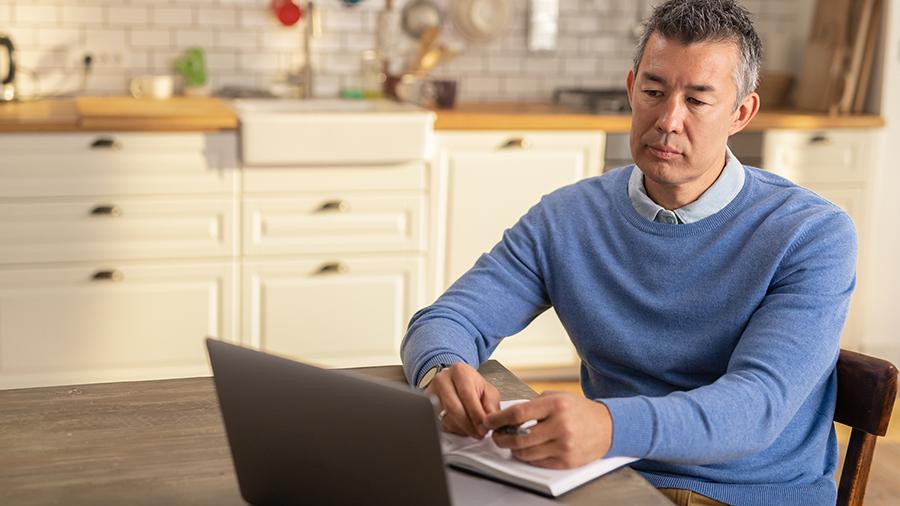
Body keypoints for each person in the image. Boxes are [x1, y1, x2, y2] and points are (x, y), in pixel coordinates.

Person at [401, 0, 857, 504]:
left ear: (740, 113)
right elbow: (446, 319)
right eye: (654, 92)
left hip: (749, 494)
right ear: (631, 88)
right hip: (610, 484)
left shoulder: (812, 234)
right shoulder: (567, 218)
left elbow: (757, 408)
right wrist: (443, 370)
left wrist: (608, 425)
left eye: (698, 101)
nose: (667, 120)